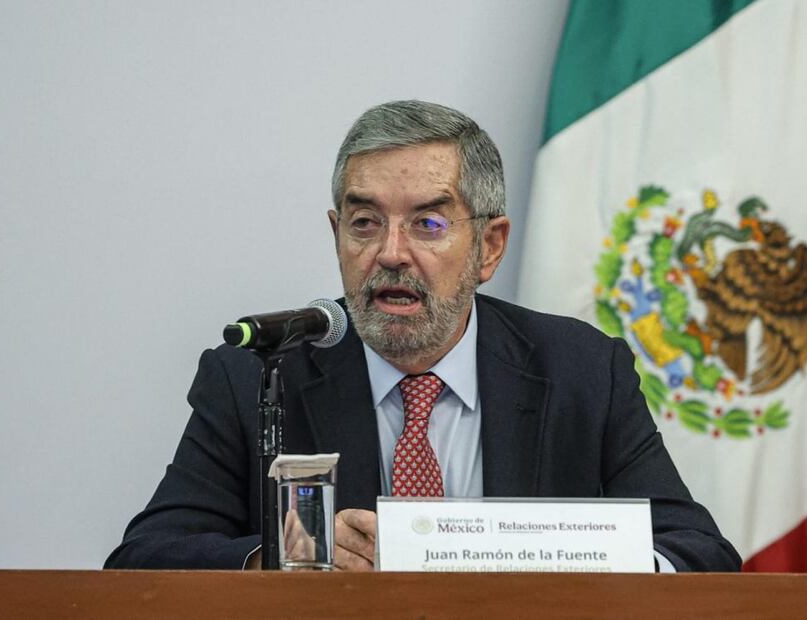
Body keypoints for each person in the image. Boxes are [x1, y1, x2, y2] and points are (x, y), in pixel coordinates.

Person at [105, 100, 741, 572]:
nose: (389, 253)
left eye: (428, 223)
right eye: (364, 222)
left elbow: (698, 555)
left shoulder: (580, 370)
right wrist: (278, 559)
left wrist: (571, 562)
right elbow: (143, 560)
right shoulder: (256, 377)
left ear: (488, 247)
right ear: (336, 234)